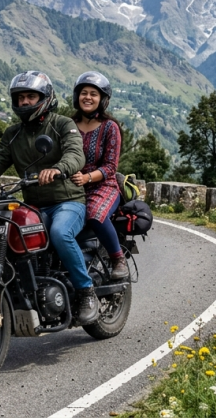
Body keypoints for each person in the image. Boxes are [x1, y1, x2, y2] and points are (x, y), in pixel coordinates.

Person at [0, 70, 98, 325]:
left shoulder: (63, 124)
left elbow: (77, 155)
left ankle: (86, 292)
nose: (24, 102)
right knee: (9, 234)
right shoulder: (13, 134)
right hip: (34, 205)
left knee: (59, 234)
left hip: (68, 202)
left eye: (31, 96)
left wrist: (59, 169)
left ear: (45, 97)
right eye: (20, 98)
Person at [69, 72, 129, 280]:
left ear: (102, 99)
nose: (88, 97)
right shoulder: (68, 125)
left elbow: (111, 166)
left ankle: (117, 258)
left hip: (103, 186)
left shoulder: (110, 127)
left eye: (93, 94)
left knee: (94, 213)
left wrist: (87, 178)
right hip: (71, 186)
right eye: (83, 93)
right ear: (77, 96)